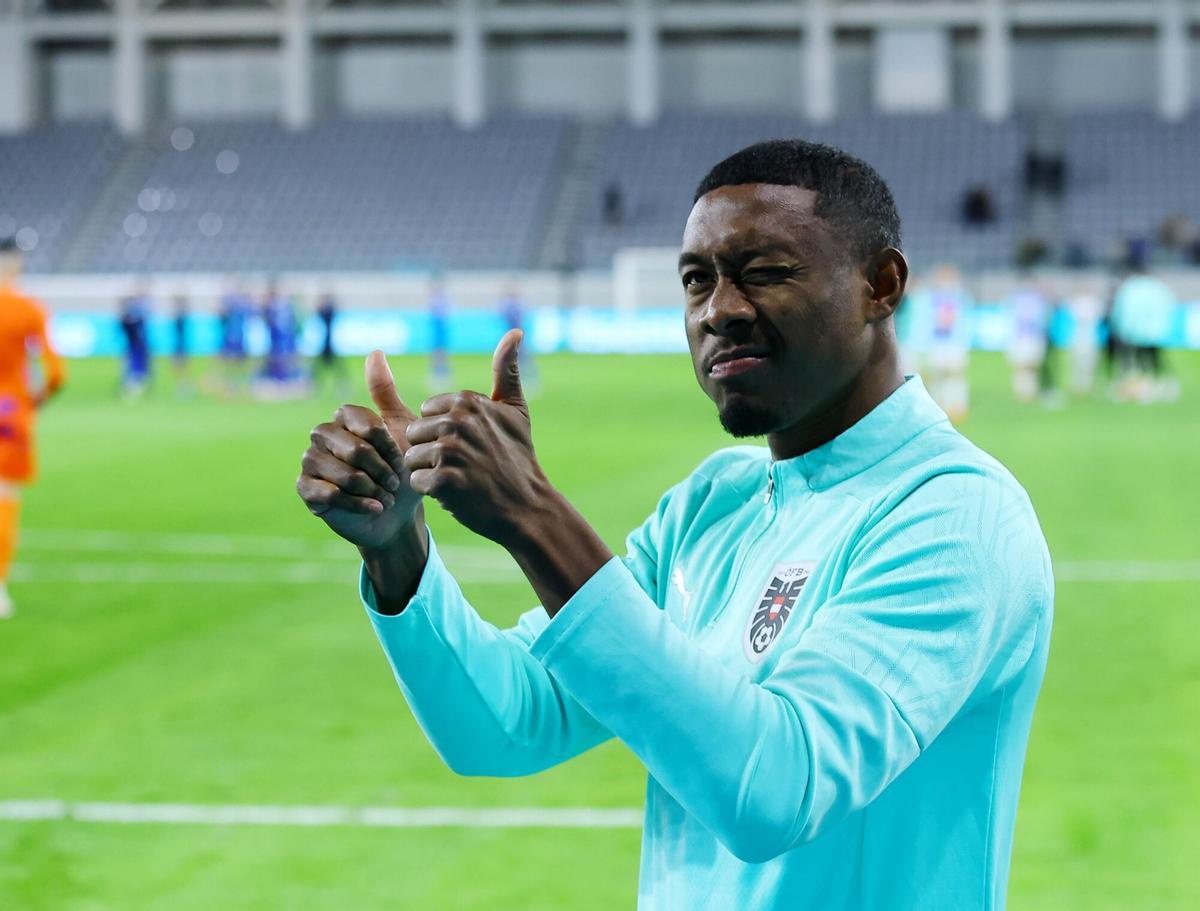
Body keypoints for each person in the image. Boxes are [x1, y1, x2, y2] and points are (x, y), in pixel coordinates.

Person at [297, 140, 1054, 910]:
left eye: (764, 271)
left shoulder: (954, 513)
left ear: (880, 284)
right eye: (698, 279)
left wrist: (532, 513)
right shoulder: (712, 505)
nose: (719, 310)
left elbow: (776, 791)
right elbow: (506, 722)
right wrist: (398, 548)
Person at [0, 237, 66, 617]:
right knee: (5, 497)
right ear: (17, 266)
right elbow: (56, 373)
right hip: (10, 414)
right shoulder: (28, 309)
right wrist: (33, 402)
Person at [1111, 263, 1178, 402]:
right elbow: (1168, 307)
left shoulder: (1130, 287)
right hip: (1153, 332)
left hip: (1134, 332)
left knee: (1138, 362)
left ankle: (1144, 389)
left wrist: (1122, 328)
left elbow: (1122, 310)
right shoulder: (1158, 287)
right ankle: (1162, 387)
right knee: (1154, 360)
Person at [923, 264, 974, 422]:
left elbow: (964, 322)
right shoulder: (933, 298)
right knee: (941, 376)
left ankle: (956, 405)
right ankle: (941, 405)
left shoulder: (959, 298)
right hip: (939, 344)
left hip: (953, 344)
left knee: (953, 376)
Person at [312, 290, 349, 396]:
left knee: (333, 367)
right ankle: (318, 385)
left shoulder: (329, 313)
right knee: (324, 367)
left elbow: (324, 310)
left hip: (328, 343)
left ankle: (340, 384)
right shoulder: (326, 313)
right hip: (326, 343)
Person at [118, 287, 152, 398]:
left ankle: (134, 386)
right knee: (132, 366)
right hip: (133, 345)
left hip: (135, 345)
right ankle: (133, 386)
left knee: (135, 366)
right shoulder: (129, 319)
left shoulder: (131, 318)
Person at [428, 279, 452, 389]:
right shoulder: (436, 300)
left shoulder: (441, 300)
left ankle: (442, 376)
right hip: (437, 330)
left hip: (440, 330)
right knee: (437, 353)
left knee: (440, 353)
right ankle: (438, 375)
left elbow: (442, 315)